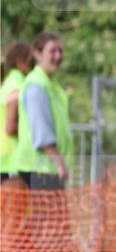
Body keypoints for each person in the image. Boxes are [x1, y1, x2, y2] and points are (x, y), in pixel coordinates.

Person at [15, 32, 72, 190]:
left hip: (48, 167)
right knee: (48, 215)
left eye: (60, 50)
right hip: (41, 167)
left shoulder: (52, 85)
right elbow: (42, 131)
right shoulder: (36, 85)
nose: (58, 55)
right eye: (52, 51)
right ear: (37, 54)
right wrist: (59, 161)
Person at [0, 41, 34, 188]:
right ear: (20, 62)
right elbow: (11, 127)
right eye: (31, 60)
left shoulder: (9, 83)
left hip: (7, 158)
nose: (35, 64)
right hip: (11, 160)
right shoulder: (16, 86)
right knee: (12, 210)